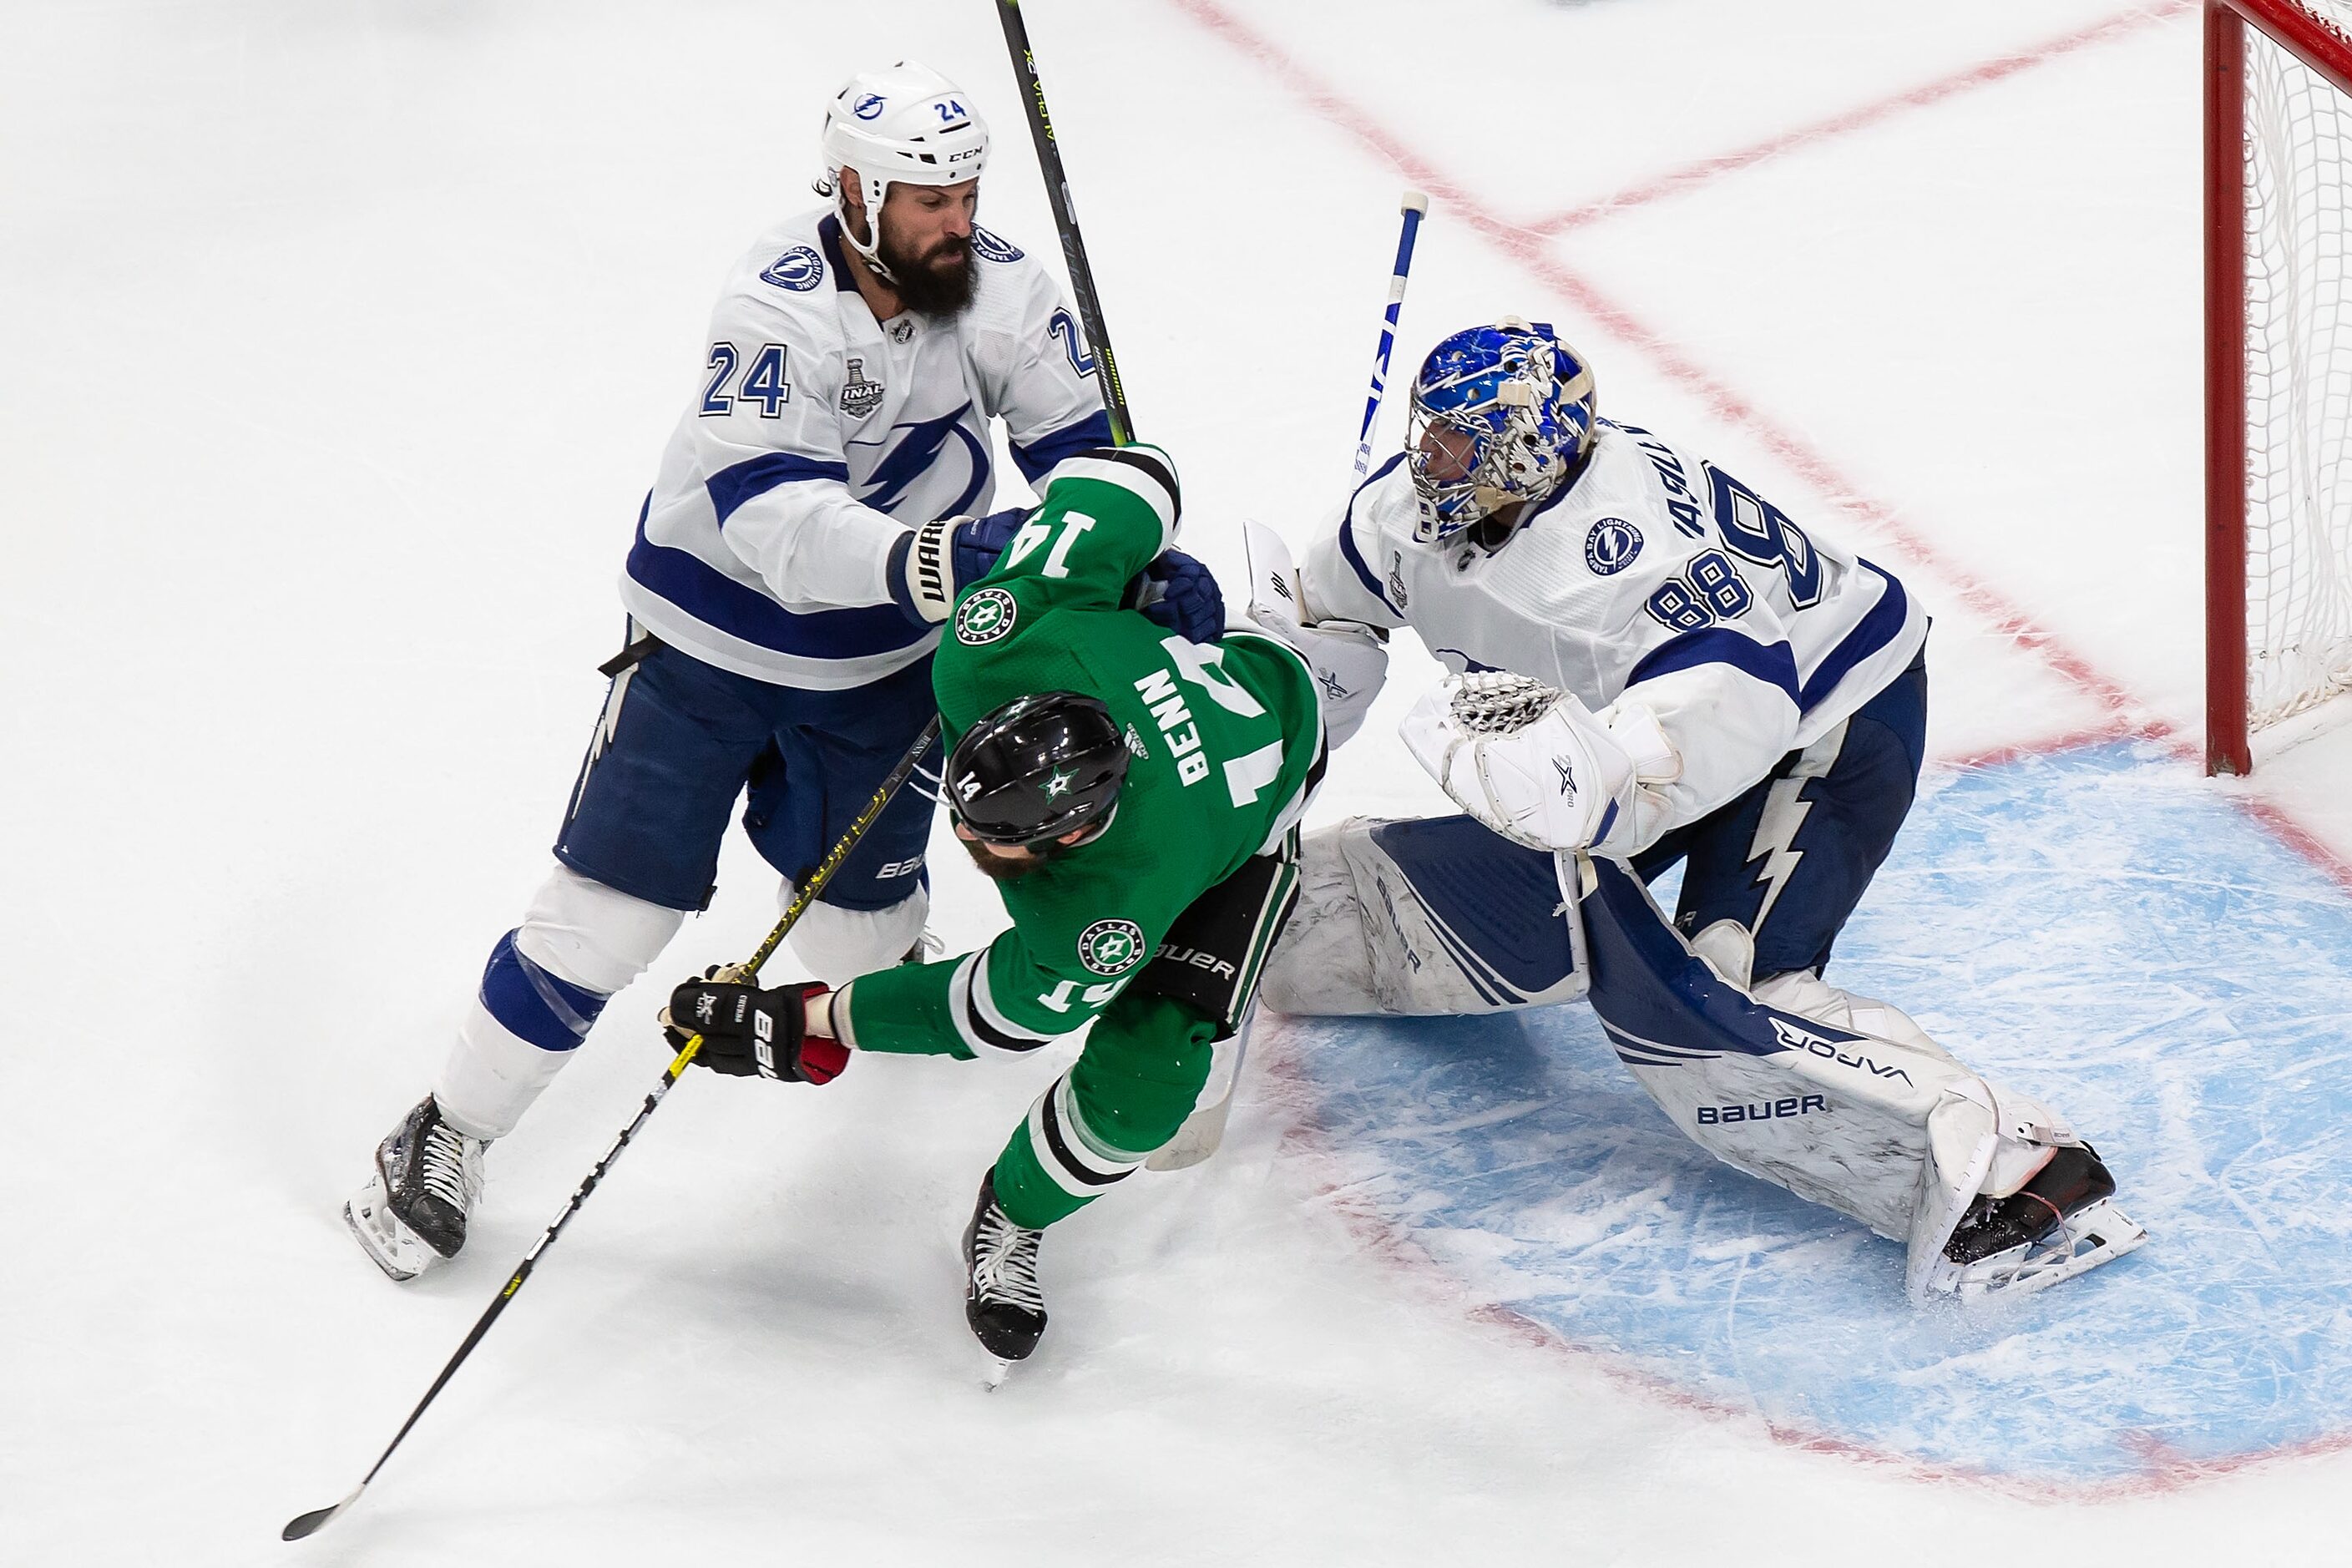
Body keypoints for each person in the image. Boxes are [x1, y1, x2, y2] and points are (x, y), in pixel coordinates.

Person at [346, 62, 1222, 1282]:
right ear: (857, 192)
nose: (956, 220)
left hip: (877, 676)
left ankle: (873, 982)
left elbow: (1079, 447)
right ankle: (448, 1127)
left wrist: (1133, 552)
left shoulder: (1000, 286)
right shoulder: (779, 305)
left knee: (868, 942)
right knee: (607, 918)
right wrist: (944, 555)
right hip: (706, 656)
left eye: (965, 191)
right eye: (928, 199)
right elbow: (770, 516)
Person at [1250, 319, 2145, 1300]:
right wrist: (1287, 714)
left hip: (1830, 718)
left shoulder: (1614, 573)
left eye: (1460, 444)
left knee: (1738, 974)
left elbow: (1714, 720)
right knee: (1558, 813)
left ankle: (2022, 1172)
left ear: (1526, 449)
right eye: (1432, 435)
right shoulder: (1410, 510)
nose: (1431, 462)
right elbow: (1329, 616)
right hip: (1680, 703)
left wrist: (1587, 787)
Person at [658, 443, 1328, 1363]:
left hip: (1249, 818)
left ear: (1070, 839)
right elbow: (1133, 476)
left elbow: (988, 1017)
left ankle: (1012, 1217)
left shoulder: (1105, 912)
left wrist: (808, 1017)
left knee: (1148, 1085)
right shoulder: (994, 642)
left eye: (999, 841)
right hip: (1202, 696)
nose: (972, 840)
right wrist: (1138, 566)